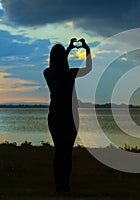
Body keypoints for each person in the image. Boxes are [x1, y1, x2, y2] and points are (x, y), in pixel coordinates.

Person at [43, 38, 92, 194]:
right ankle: (66, 185)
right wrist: (87, 49)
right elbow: (88, 68)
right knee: (67, 152)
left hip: (55, 116)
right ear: (64, 59)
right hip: (70, 116)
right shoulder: (70, 73)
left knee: (59, 152)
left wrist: (69, 48)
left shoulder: (48, 73)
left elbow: (58, 64)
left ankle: (59, 185)